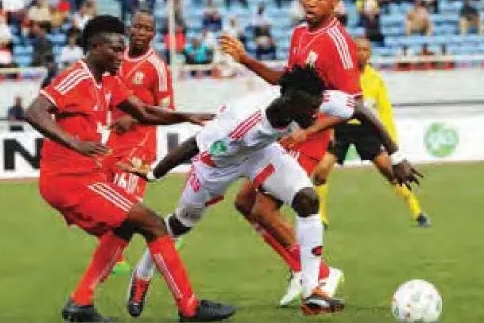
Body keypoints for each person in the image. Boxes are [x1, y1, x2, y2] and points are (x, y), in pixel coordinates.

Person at [121, 65, 423, 317]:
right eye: (311, 109)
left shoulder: (309, 98)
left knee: (307, 199)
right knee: (180, 224)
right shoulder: (240, 123)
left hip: (262, 152)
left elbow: (359, 109)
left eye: (318, 106)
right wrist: (152, 173)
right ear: (290, 102)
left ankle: (311, 290)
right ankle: (142, 274)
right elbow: (190, 147)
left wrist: (396, 157)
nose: (317, 114)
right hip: (216, 164)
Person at [218, 0, 418, 305]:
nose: (311, 2)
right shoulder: (299, 33)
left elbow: (353, 107)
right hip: (284, 131)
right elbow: (287, 82)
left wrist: (308, 133)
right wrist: (245, 60)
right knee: (244, 204)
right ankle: (305, 271)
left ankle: (320, 273)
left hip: (308, 138)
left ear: (334, 2)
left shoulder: (338, 43)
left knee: (264, 210)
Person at [23, 14, 235, 323]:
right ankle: (189, 308)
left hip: (86, 176)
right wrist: (74, 143)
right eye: (114, 49)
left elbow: (144, 112)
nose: (121, 56)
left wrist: (188, 116)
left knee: (125, 226)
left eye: (123, 49)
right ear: (94, 47)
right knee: (152, 223)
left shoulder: (108, 80)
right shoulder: (76, 76)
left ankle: (81, 302)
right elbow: (34, 111)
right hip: (69, 179)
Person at [103, 9, 175, 275]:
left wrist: (133, 120)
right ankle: (115, 256)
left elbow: (167, 109)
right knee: (107, 201)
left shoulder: (157, 66)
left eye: (147, 29)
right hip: (112, 141)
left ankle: (117, 258)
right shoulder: (115, 60)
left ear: (153, 34)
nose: (142, 33)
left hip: (140, 143)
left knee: (124, 202)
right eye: (138, 27)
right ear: (128, 29)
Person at [332, 37, 430, 226]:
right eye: (357, 49)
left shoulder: (376, 79)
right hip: (340, 125)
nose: (361, 53)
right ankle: (321, 219)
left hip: (365, 128)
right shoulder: (341, 75)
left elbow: (385, 111)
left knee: (390, 171)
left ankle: (417, 211)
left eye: (365, 50)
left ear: (370, 53)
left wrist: (392, 141)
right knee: (320, 172)